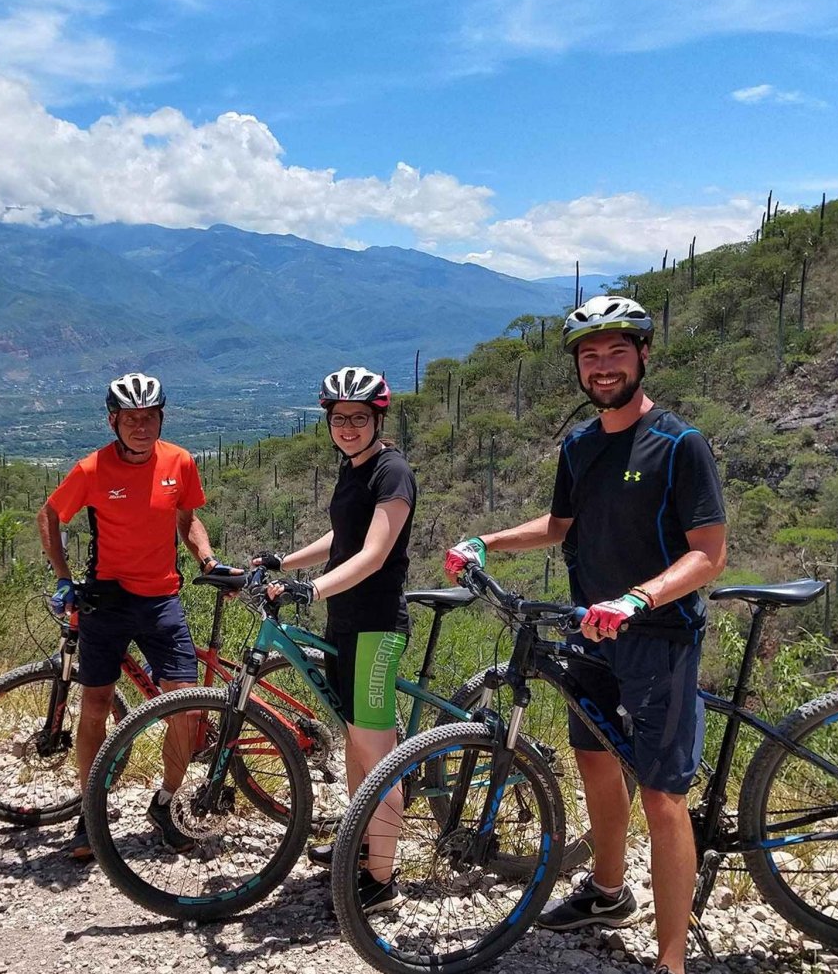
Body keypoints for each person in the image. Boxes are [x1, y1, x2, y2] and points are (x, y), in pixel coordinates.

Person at [443, 296, 727, 974]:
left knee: (662, 794)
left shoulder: (680, 444)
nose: (603, 367)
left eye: (616, 352)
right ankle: (607, 891)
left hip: (659, 636)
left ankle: (671, 960)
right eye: (590, 355)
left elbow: (709, 553)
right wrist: (486, 540)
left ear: (643, 356)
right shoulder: (580, 445)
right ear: (578, 365)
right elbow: (559, 524)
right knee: (595, 762)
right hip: (589, 631)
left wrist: (638, 597)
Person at [37, 372, 231, 862]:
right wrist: (63, 577)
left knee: (187, 709)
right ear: (114, 421)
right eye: (131, 419)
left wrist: (207, 559)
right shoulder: (91, 469)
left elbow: (187, 520)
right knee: (97, 706)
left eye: (149, 418)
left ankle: (165, 804)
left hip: (162, 600)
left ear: (160, 419)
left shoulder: (179, 461)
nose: (140, 426)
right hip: (107, 600)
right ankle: (89, 812)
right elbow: (49, 516)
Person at [256, 365, 417, 913]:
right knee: (354, 742)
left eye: (358, 417)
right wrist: (286, 561)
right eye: (339, 418)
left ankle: (382, 878)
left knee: (378, 753)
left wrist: (311, 590)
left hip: (375, 626)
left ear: (378, 418)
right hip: (344, 622)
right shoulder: (355, 467)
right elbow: (343, 537)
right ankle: (361, 844)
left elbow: (373, 554)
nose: (348, 426)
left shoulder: (392, 472)